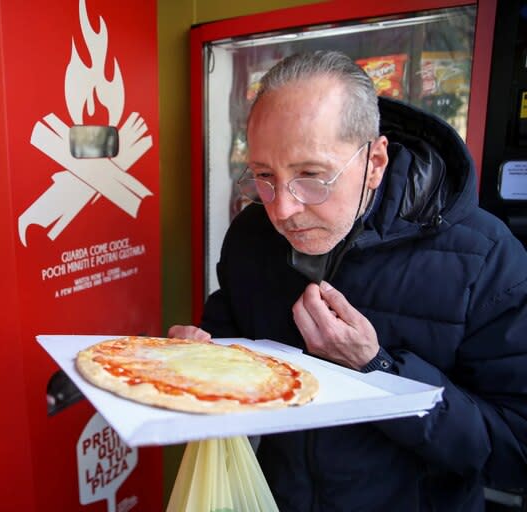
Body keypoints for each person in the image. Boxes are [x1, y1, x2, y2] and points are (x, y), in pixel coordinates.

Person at [170, 50, 527, 511]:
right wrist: (196, 360)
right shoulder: (251, 236)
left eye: (311, 177)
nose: (283, 210)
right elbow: (230, 341)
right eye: (264, 176)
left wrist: (377, 368)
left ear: (375, 162)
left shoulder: (485, 259)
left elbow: (514, 451)